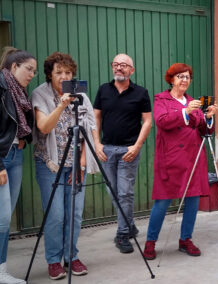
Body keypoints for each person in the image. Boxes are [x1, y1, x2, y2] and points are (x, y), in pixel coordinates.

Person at [32, 52, 98, 280]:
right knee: (56, 215)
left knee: (75, 214)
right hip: (50, 164)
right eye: (58, 72)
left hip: (75, 163)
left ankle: (71, 256)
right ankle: (53, 260)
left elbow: (88, 128)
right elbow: (43, 127)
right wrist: (61, 105)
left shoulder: (80, 93)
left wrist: (81, 165)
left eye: (68, 72)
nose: (63, 76)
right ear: (49, 74)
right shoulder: (40, 94)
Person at [143, 63, 217, 260]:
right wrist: (185, 112)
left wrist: (208, 118)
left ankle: (186, 239)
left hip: (193, 158)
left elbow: (204, 130)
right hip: (170, 159)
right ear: (171, 79)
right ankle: (150, 242)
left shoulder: (193, 101)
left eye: (187, 77)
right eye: (180, 76)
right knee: (163, 201)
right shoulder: (161, 99)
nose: (184, 80)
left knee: (192, 200)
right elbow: (162, 121)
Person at [93, 54, 152, 254]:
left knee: (125, 193)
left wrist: (136, 146)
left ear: (131, 70)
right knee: (114, 192)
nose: (119, 68)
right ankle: (131, 224)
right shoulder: (103, 90)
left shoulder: (141, 93)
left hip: (129, 150)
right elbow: (96, 117)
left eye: (124, 65)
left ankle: (122, 233)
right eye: (116, 64)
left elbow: (147, 121)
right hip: (107, 150)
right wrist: (97, 143)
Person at [0, 47, 36, 284]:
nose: (32, 74)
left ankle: (1, 269)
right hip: (2, 159)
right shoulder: (2, 88)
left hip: (15, 155)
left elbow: (18, 123)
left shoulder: (18, 91)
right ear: (14, 67)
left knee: (5, 216)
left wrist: (22, 140)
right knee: (2, 218)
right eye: (28, 69)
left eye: (34, 71)